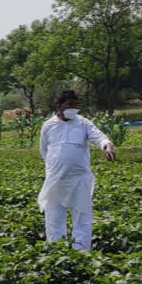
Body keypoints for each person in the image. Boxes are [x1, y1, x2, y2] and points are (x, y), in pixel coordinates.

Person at [38, 90, 115, 251]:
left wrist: (106, 146)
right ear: (59, 106)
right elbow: (44, 150)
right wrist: (56, 165)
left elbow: (99, 137)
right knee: (54, 218)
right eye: (69, 104)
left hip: (79, 178)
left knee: (82, 217)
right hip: (56, 179)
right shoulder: (48, 126)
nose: (73, 108)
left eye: (75, 105)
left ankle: (81, 253)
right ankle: (56, 251)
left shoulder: (83, 123)